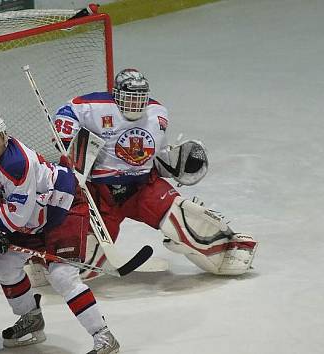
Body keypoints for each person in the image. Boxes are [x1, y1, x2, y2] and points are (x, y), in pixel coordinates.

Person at [54, 68, 258, 279]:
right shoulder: (94, 107)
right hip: (100, 193)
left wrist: (173, 164)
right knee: (84, 262)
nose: (135, 104)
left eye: (140, 98)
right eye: (130, 98)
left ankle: (228, 250)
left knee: (185, 219)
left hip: (142, 188)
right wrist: (67, 138)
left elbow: (157, 154)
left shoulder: (158, 113)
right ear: (116, 95)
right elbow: (66, 110)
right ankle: (43, 262)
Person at [0, 111, 120, 354]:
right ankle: (31, 318)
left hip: (61, 208)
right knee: (5, 264)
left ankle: (104, 337)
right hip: (31, 214)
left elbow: (15, 217)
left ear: (5, 136)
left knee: (62, 275)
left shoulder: (17, 163)